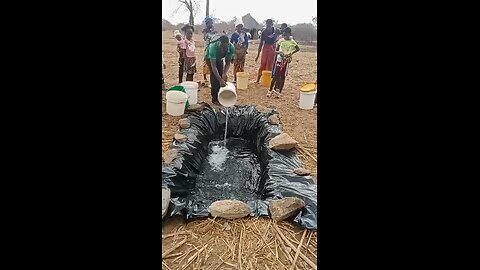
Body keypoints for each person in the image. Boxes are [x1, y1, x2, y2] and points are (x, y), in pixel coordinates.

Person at [268, 27, 300, 97]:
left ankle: (279, 92)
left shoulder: (292, 42)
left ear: (289, 34)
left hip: (286, 61)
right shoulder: (281, 41)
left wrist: (291, 53)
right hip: (279, 60)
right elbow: (275, 51)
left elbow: (298, 49)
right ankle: (270, 90)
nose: (285, 36)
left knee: (282, 76)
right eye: (284, 35)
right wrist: (279, 52)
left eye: (286, 35)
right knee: (275, 76)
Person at [205, 35, 235, 105]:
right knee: (214, 77)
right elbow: (214, 66)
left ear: (228, 45)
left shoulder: (231, 47)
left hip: (219, 58)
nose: (222, 50)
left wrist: (224, 73)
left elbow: (227, 63)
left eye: (224, 48)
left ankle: (220, 95)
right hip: (209, 59)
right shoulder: (213, 47)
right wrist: (220, 79)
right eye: (221, 47)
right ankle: (214, 98)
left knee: (221, 74)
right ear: (219, 43)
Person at [255, 19, 277, 84]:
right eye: (267, 25)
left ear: (272, 25)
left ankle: (267, 80)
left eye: (269, 25)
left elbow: (276, 40)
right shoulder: (264, 32)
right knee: (263, 64)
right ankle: (258, 79)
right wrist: (258, 55)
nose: (268, 27)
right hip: (266, 48)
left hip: (272, 48)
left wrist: (275, 49)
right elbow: (261, 43)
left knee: (270, 64)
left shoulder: (275, 31)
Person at [202, 17, 217, 86]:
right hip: (207, 47)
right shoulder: (205, 31)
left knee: (211, 63)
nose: (211, 24)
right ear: (207, 23)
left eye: (212, 22)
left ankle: (211, 75)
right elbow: (206, 38)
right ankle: (205, 77)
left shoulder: (211, 30)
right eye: (210, 23)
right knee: (206, 62)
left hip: (212, 47)